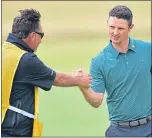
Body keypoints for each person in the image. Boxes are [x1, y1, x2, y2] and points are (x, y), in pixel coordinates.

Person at [2, 9, 92, 137]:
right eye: (41, 35)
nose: (41, 40)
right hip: (14, 133)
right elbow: (57, 79)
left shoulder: (6, 51)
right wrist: (79, 80)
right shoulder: (25, 60)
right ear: (33, 35)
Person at [79, 5, 152, 137]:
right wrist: (83, 88)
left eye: (120, 28)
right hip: (120, 131)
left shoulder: (148, 49)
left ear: (131, 28)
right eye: (112, 27)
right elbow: (96, 101)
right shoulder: (99, 61)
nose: (115, 32)